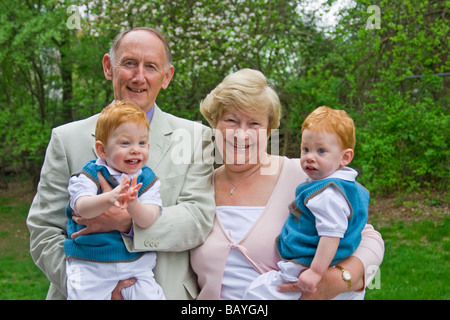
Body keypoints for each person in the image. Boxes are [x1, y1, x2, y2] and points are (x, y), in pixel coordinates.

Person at [27, 27, 216, 300]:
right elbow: (43, 229)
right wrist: (87, 289)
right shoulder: (66, 139)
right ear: (108, 67)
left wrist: (127, 222)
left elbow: (198, 220)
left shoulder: (195, 138)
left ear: (167, 76)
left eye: (151, 66)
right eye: (129, 63)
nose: (139, 77)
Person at [190, 68, 384, 300]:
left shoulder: (304, 176)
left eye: (254, 123)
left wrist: (339, 280)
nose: (241, 134)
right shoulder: (197, 186)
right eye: (231, 120)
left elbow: (369, 238)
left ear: (269, 130)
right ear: (215, 123)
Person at [243, 106, 368, 300]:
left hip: (307, 265)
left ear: (345, 157)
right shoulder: (350, 187)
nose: (310, 156)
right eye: (305, 149)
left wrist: (316, 272)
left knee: (255, 294)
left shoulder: (327, 193)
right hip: (336, 262)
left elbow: (331, 234)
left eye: (321, 151)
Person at [65, 101, 165, 300]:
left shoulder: (147, 179)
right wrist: (110, 197)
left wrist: (134, 203)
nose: (136, 150)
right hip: (91, 262)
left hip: (135, 265)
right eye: (125, 143)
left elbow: (147, 219)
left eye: (142, 143)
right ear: (102, 150)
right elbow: (82, 207)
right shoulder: (91, 173)